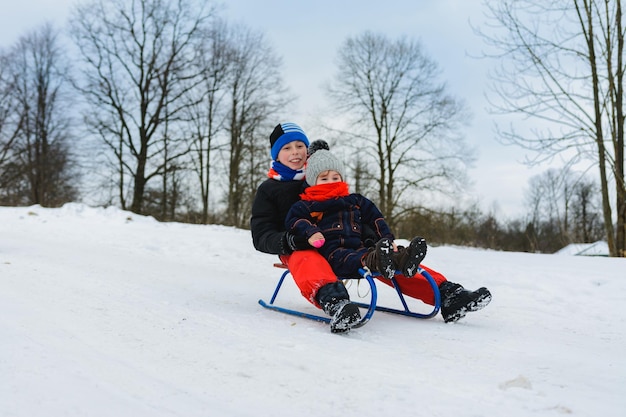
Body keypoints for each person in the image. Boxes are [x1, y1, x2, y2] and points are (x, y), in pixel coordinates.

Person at [250, 122, 492, 334]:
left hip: (343, 241)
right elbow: (261, 235)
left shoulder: (320, 174)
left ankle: (447, 294)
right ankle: (336, 303)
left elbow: (351, 211)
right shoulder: (269, 190)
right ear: (276, 154)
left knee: (388, 258)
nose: (295, 153)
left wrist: (371, 239)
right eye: (287, 148)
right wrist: (291, 241)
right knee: (306, 258)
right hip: (302, 245)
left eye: (299, 146)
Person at [284, 149, 428, 283]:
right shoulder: (309, 205)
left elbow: (375, 219)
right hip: (332, 253)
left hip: (359, 247)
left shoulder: (355, 200)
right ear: (312, 181)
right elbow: (295, 220)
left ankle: (404, 260)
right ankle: (378, 261)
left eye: (335, 178)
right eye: (324, 179)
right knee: (358, 258)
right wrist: (311, 232)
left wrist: (387, 239)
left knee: (373, 253)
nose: (331, 183)